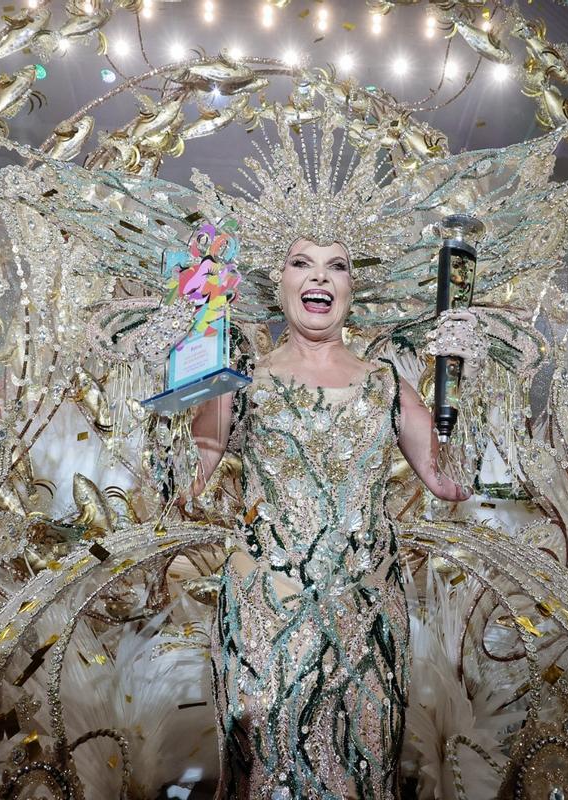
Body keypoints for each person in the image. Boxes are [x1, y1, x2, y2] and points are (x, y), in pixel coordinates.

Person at [189, 237, 479, 798]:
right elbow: (183, 487)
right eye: (301, 262)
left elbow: (452, 482)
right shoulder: (238, 380)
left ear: (350, 288)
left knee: (361, 770)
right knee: (265, 772)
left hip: (366, 621)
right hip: (262, 622)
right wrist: (182, 374)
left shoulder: (388, 383)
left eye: (336, 266)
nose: (319, 278)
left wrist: (463, 375)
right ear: (280, 285)